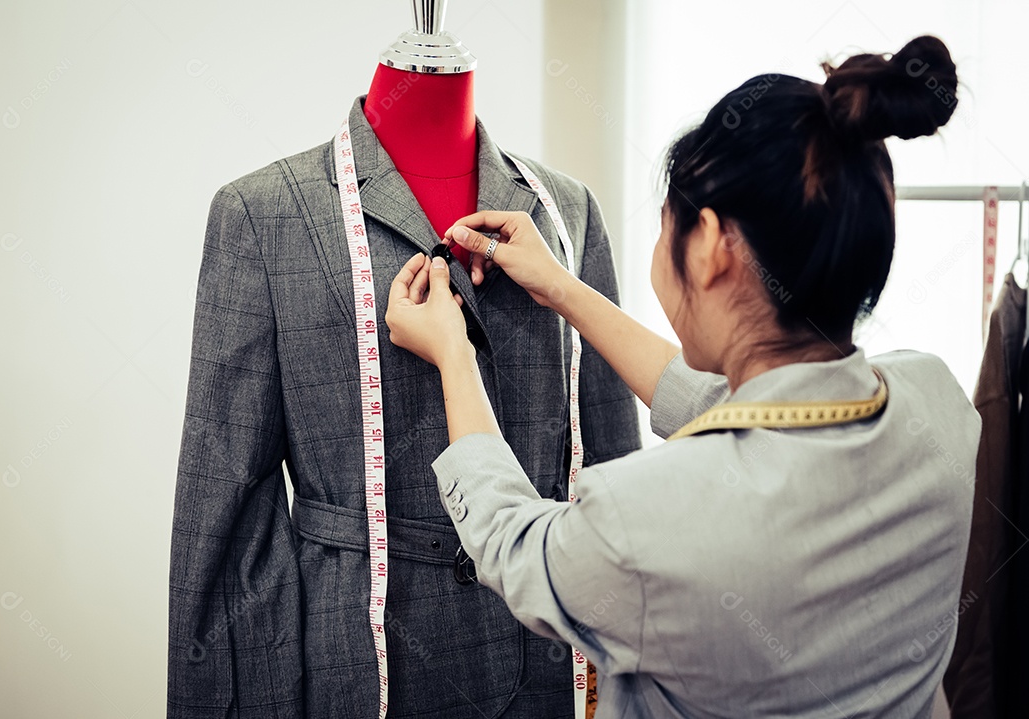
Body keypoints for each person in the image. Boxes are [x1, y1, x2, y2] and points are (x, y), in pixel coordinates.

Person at [384, 34, 978, 719]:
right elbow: (756, 414)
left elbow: (515, 546)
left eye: (666, 222)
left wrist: (453, 355)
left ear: (711, 245)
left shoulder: (645, 520)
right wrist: (564, 289)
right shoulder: (937, 403)